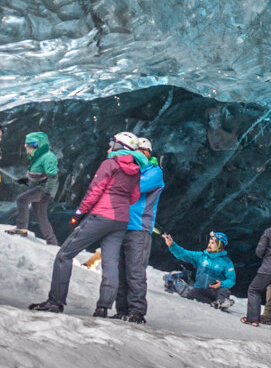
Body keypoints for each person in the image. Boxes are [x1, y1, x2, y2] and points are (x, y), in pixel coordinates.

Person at [29, 132, 144, 315]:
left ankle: (55, 302)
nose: (109, 146)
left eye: (112, 142)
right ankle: (102, 308)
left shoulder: (110, 163)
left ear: (119, 146)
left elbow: (94, 190)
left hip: (101, 215)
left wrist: (79, 213)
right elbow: (135, 197)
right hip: (121, 220)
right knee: (110, 264)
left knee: (64, 256)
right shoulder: (136, 170)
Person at [112, 137, 163, 323]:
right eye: (137, 149)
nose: (139, 153)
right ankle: (122, 309)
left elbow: (134, 187)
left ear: (149, 152)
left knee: (135, 271)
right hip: (120, 224)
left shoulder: (154, 172)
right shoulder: (132, 169)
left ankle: (137, 311)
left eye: (143, 150)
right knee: (120, 271)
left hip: (139, 228)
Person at [7, 132, 60, 245]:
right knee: (41, 216)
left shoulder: (48, 157)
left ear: (39, 145)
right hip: (40, 188)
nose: (27, 148)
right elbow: (38, 174)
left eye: (30, 145)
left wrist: (47, 193)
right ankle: (52, 242)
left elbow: (52, 177)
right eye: (27, 145)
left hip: (44, 189)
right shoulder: (37, 158)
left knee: (21, 199)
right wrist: (25, 180)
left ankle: (21, 228)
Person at [163, 230, 236, 309]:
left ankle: (222, 301)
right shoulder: (201, 256)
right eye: (209, 242)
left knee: (224, 291)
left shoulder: (226, 262)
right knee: (192, 294)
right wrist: (172, 245)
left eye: (212, 243)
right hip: (200, 290)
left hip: (215, 291)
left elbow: (231, 280)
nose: (209, 245)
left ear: (220, 246)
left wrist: (221, 284)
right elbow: (183, 253)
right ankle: (218, 303)